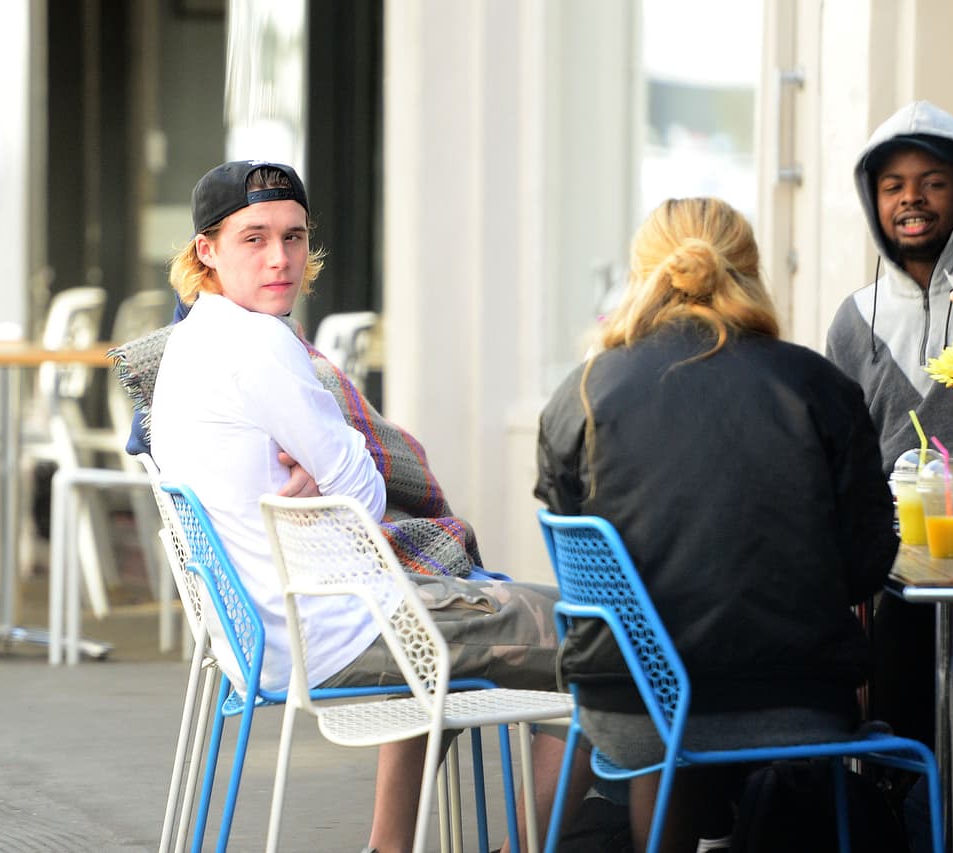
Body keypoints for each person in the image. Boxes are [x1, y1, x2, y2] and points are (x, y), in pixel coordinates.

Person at [123, 160, 589, 853]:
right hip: (332, 632)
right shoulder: (260, 345)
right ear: (207, 250)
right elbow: (368, 492)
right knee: (597, 641)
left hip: (260, 634)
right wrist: (335, 473)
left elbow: (348, 481)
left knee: (439, 621)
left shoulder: (188, 344)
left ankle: (387, 846)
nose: (280, 257)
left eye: (293, 236)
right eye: (254, 238)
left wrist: (331, 473)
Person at [536, 197, 898, 852]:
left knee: (670, 709)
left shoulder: (583, 391)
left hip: (629, 706)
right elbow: (867, 564)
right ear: (753, 271)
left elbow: (577, 553)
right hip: (798, 701)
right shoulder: (819, 385)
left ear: (642, 275)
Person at [826, 100, 953, 473]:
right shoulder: (853, 320)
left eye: (933, 183)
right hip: (884, 530)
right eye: (892, 186)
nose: (911, 197)